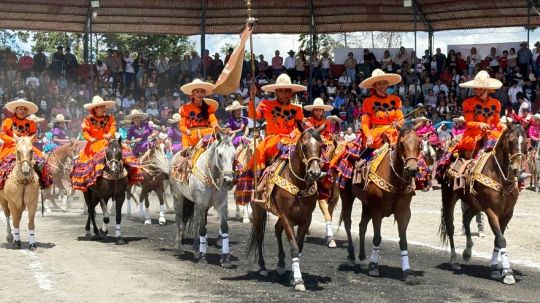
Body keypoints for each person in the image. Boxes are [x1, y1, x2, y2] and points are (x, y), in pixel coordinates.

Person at [235, 74, 306, 209]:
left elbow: (300, 127)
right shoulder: (267, 104)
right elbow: (253, 116)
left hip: (292, 139)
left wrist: (294, 133)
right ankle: (259, 187)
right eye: (281, 90)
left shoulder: (297, 109)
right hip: (273, 140)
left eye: (286, 91)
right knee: (256, 158)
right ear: (276, 91)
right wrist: (252, 97)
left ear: (291, 92)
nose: (284, 94)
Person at [331, 69, 403, 188]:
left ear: (387, 84)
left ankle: (411, 180)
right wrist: (369, 136)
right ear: (374, 86)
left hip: (394, 133)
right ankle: (359, 174)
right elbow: (364, 122)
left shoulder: (396, 100)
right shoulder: (368, 101)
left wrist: (398, 125)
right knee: (361, 155)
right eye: (379, 83)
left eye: (384, 82)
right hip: (376, 134)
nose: (381, 85)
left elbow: (400, 119)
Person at [70, 96, 141, 192]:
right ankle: (91, 183)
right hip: (94, 144)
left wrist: (109, 134)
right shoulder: (87, 120)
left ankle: (127, 179)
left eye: (102, 106)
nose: (101, 108)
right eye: (98, 107)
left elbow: (113, 128)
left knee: (125, 154)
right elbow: (85, 132)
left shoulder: (110, 118)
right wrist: (90, 138)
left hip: (109, 142)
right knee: (86, 164)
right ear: (94, 109)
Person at [0, 98, 51, 189]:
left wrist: (26, 141)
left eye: (24, 109)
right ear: (16, 110)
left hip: (26, 145)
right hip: (11, 146)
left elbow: (33, 137)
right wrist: (13, 140)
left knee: (40, 159)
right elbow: (2, 135)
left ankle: (41, 181)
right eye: (20, 109)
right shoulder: (8, 121)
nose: (23, 111)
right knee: (4, 162)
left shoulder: (31, 123)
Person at [178, 79, 219, 148]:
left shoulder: (208, 108)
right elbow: (182, 125)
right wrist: (186, 130)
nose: (200, 94)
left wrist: (215, 124)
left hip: (206, 134)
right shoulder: (185, 108)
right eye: (197, 92)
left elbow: (213, 120)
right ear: (193, 94)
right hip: (192, 136)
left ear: (204, 94)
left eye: (202, 92)